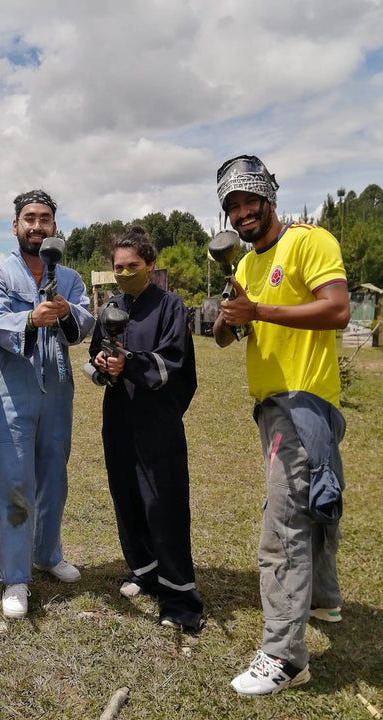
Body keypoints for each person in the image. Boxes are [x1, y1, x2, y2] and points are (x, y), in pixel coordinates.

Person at [212, 155, 350, 696]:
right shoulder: (245, 266)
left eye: (250, 200)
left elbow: (336, 309)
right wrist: (230, 315)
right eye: (233, 206)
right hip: (276, 404)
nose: (243, 212)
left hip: (303, 402)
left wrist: (261, 312)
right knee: (312, 506)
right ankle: (324, 600)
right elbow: (227, 337)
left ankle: (284, 657)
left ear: (270, 195)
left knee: (283, 529)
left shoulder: (309, 242)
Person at [0, 189, 95, 619]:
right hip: (15, 392)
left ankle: (48, 553)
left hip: (58, 392)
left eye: (45, 219)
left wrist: (65, 314)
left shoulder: (70, 277)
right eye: (29, 218)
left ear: (54, 228)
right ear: (15, 226)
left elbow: (84, 322)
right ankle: (15, 578)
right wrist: (29, 318)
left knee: (53, 477)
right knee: (13, 482)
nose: (37, 226)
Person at [87, 226, 203, 632]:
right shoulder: (111, 307)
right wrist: (103, 365)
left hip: (156, 421)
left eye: (132, 266)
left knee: (163, 503)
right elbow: (96, 353)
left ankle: (179, 597)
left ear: (150, 265)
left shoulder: (171, 306)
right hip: (118, 417)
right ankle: (145, 569)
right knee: (127, 495)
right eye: (118, 267)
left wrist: (130, 363)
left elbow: (173, 361)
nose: (123, 273)